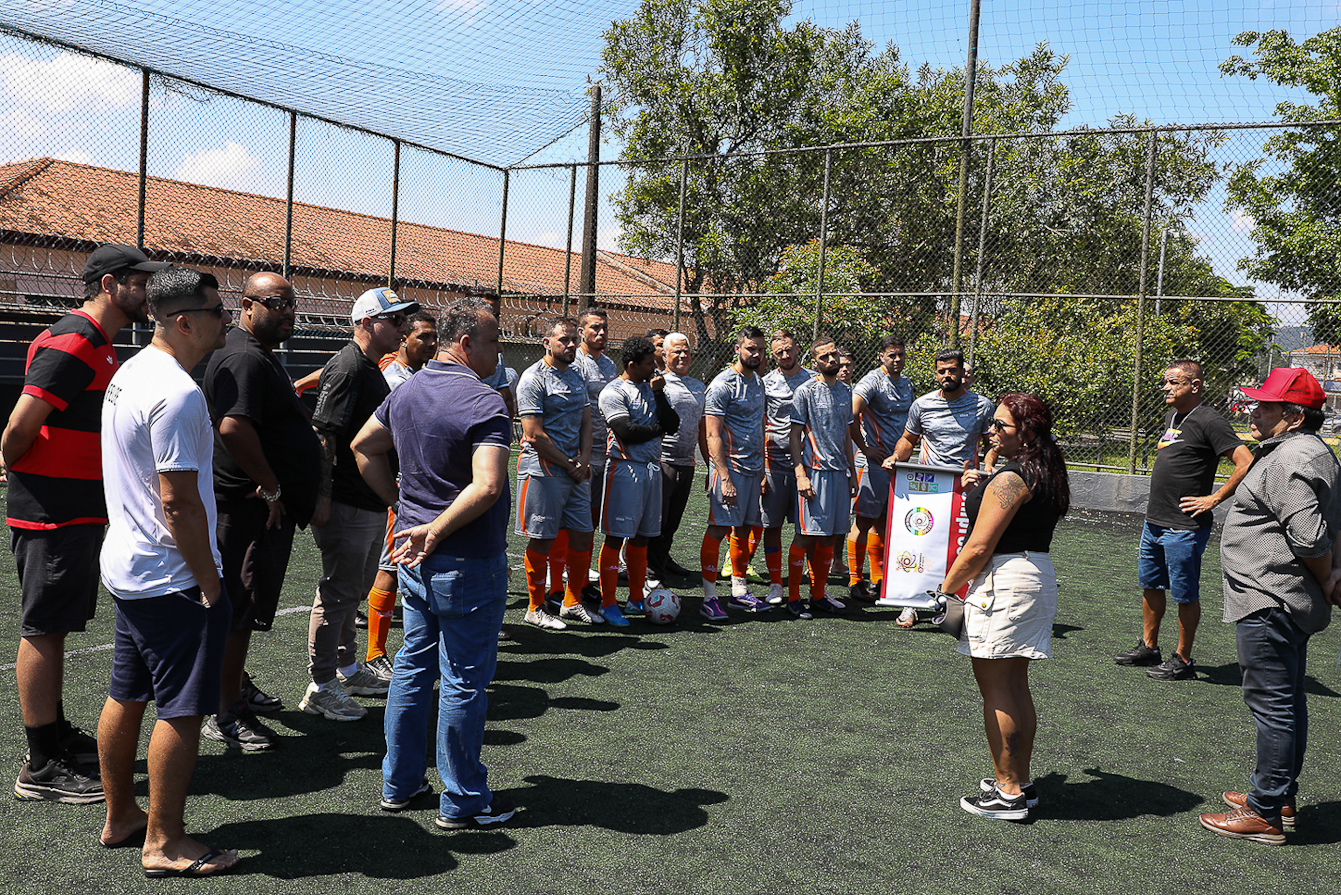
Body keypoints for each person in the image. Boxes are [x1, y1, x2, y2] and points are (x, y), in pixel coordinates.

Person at [5, 244, 166, 803]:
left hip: (69, 508)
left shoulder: (99, 342)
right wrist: (21, 472)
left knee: (55, 625)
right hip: (53, 510)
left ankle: (52, 736)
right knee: (44, 629)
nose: (149, 290)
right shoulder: (76, 339)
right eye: (140, 280)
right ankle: (41, 764)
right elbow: (19, 427)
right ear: (110, 284)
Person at [352, 297, 517, 830]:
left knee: (413, 667)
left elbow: (362, 447)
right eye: (494, 341)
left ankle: (399, 784)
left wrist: (401, 509)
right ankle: (463, 801)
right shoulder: (485, 401)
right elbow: (487, 486)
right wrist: (436, 528)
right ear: (466, 343)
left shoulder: (407, 392)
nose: (500, 350)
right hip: (465, 560)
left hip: (415, 561)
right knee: (464, 680)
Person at [96, 266, 240, 875]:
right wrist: (209, 582)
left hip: (129, 565)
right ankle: (163, 841)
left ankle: (122, 816)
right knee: (181, 708)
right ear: (184, 322)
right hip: (170, 575)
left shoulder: (133, 370)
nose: (226, 323)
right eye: (217, 313)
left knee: (125, 694)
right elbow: (178, 501)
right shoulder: (178, 392)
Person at [1198, 367, 1340, 845]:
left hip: (1271, 598)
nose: (1252, 411)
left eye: (1264, 405)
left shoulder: (1287, 460)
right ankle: (1277, 796)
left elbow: (1309, 537)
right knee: (1287, 700)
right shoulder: (1309, 451)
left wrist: (1330, 578)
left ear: (1294, 415)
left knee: (1273, 705)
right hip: (1285, 598)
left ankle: (1265, 812)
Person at [934, 393, 1068, 821]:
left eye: (1000, 425)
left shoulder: (1014, 477)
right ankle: (1019, 781)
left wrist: (946, 589)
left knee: (997, 688)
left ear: (1025, 431)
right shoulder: (1042, 469)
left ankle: (1008, 791)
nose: (990, 431)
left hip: (1005, 580)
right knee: (1013, 685)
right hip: (1033, 573)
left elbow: (978, 546)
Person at [203, 271, 321, 751]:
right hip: (248, 510)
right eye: (276, 303)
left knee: (241, 608)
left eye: (292, 304)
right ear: (247, 305)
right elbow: (232, 427)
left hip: (256, 509)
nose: (288, 312)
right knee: (236, 608)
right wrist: (272, 488)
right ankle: (223, 709)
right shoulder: (245, 357)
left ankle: (232, 690)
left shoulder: (257, 355)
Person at [300, 287, 414, 721]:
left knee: (354, 589)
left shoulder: (366, 366)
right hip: (347, 498)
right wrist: (324, 497)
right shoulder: (349, 367)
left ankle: (346, 667)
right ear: (367, 322)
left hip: (363, 498)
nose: (402, 328)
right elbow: (324, 434)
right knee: (339, 590)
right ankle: (321, 685)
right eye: (394, 320)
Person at [1115, 359, 1253, 681]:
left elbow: (1245, 462)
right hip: (1155, 522)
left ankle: (1184, 660)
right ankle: (1149, 648)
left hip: (1184, 527)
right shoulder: (1173, 416)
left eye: (1174, 382)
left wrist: (1215, 498)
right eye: (1166, 381)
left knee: (1184, 593)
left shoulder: (1209, 420)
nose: (1166, 387)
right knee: (1151, 585)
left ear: (1195, 385)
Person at [883, 348, 994, 625]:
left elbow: (992, 443)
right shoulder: (922, 405)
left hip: (965, 487)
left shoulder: (982, 406)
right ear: (936, 373)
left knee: (963, 546)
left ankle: (955, 604)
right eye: (942, 371)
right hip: (928, 488)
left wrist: (989, 463)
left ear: (962, 372)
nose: (947, 375)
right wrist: (896, 457)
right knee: (921, 545)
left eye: (952, 370)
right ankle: (912, 604)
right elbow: (909, 439)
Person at [361, 311, 439, 673]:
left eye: (433, 337)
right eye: (422, 336)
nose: (430, 343)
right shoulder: (393, 378)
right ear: (405, 338)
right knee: (392, 565)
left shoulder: (421, 375)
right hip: (401, 485)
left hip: (420, 485)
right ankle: (374, 653)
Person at [515, 317, 599, 629]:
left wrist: (585, 458)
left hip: (576, 469)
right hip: (544, 470)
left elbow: (587, 421)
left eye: (574, 339)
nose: (571, 345)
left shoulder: (578, 375)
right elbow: (534, 434)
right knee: (542, 539)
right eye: (564, 340)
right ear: (546, 343)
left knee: (581, 535)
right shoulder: (532, 378)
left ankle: (572, 601)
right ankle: (535, 607)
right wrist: (570, 463)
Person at [594, 336, 680, 625]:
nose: (654, 369)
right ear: (632, 365)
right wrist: (658, 429)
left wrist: (658, 395)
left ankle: (634, 598)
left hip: (651, 468)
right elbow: (626, 432)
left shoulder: (652, 388)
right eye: (648, 364)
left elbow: (673, 424)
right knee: (616, 536)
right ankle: (608, 603)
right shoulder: (613, 391)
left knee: (643, 536)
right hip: (624, 468)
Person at [700, 327, 772, 620]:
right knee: (718, 529)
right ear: (737, 348)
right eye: (750, 348)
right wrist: (724, 476)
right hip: (730, 470)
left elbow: (759, 427)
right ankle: (708, 597)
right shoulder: (722, 385)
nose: (756, 354)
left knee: (744, 529)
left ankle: (739, 592)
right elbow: (712, 435)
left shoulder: (758, 382)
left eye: (760, 350)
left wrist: (763, 468)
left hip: (754, 470)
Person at [787, 337, 857, 618]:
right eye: (824, 357)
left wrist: (851, 473)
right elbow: (794, 436)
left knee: (829, 537)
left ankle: (818, 595)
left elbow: (846, 436)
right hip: (814, 473)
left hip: (840, 474)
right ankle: (793, 597)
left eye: (833, 355)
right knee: (805, 536)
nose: (831, 361)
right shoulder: (805, 391)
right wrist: (800, 474)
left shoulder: (846, 391)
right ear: (814, 361)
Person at [847, 336, 914, 604]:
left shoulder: (907, 383)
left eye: (900, 355)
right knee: (863, 521)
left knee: (883, 522)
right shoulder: (872, 381)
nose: (896, 359)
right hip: (873, 464)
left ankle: (878, 578)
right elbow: (850, 413)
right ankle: (854, 580)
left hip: (895, 464)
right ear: (881, 356)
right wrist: (864, 448)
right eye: (891, 355)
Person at [755, 330, 817, 605]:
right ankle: (776, 583)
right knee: (773, 525)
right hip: (775, 462)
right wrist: (761, 467)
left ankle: (816, 586)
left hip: (809, 464)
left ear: (797, 349)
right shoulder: (765, 384)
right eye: (779, 352)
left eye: (789, 350)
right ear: (773, 355)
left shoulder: (813, 382)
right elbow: (759, 425)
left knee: (811, 527)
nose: (785, 355)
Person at [648, 333, 707, 580]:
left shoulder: (699, 386)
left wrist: (710, 464)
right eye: (676, 352)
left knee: (671, 525)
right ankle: (645, 572)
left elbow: (703, 430)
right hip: (662, 463)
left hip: (687, 463)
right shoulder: (657, 384)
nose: (683, 356)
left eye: (686, 351)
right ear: (664, 355)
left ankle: (659, 568)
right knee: (654, 524)